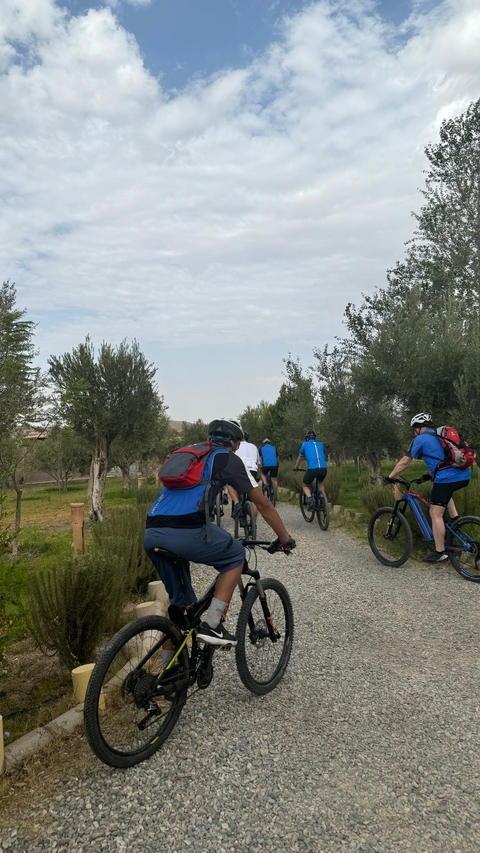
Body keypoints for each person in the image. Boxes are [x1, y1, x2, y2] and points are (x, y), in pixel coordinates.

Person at [144, 419, 295, 648]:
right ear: (235, 443)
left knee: (181, 611)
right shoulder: (227, 458)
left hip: (152, 531)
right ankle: (213, 625)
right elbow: (263, 504)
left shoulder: (191, 454)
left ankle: (166, 678)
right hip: (186, 530)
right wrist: (285, 539)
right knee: (235, 554)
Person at [386, 412, 471, 563]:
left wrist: (391, 477)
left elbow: (404, 462)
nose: (414, 432)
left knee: (435, 513)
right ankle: (455, 521)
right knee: (444, 494)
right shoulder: (440, 437)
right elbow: (443, 459)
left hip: (447, 478)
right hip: (464, 475)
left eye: (414, 429)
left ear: (419, 428)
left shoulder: (420, 439)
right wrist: (428, 475)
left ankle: (439, 552)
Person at [294, 431, 327, 507]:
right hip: (323, 469)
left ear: (307, 438)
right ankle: (322, 501)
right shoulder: (321, 444)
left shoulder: (305, 444)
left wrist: (296, 467)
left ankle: (310, 499)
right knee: (320, 482)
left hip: (312, 469)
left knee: (305, 485)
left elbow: (300, 457)